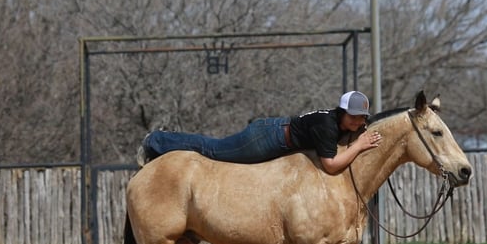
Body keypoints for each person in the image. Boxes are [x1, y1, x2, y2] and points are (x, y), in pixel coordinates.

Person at [137, 90, 383, 174]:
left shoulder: (341, 122)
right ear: (341, 112)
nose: (359, 121)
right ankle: (156, 141)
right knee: (213, 149)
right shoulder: (327, 125)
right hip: (266, 139)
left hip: (275, 133)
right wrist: (359, 145)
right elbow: (330, 165)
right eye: (354, 116)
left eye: (362, 117)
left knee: (213, 149)